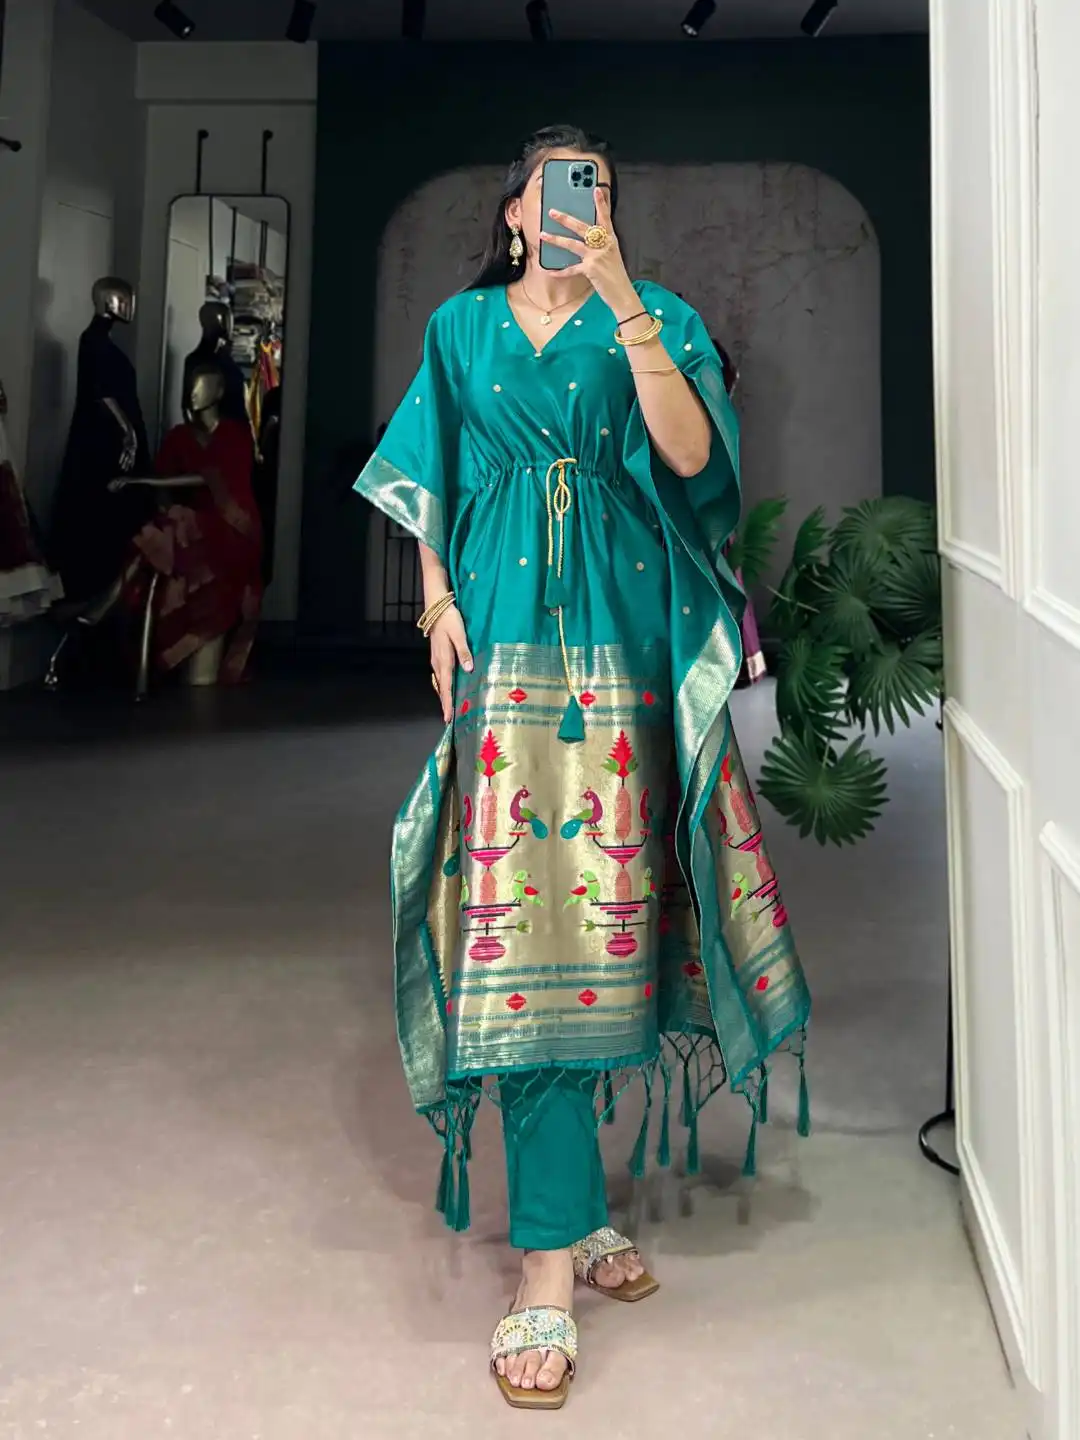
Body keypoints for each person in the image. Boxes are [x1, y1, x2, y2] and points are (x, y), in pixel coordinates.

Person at [354, 125, 811, 1410]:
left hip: (624, 638)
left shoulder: (649, 312)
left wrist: (625, 302)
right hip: (502, 643)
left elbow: (691, 461)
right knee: (517, 923)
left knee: (613, 912)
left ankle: (574, 1202)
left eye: (599, 189)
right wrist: (434, 605)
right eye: (559, 187)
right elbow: (432, 474)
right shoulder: (460, 328)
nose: (578, 203)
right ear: (514, 212)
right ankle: (547, 1261)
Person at [108, 361, 262, 684]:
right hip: (194, 526)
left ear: (219, 391)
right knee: (168, 530)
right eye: (190, 385)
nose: (193, 392)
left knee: (183, 533)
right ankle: (121, 611)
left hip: (232, 526)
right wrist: (163, 500)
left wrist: (144, 482)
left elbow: (215, 479)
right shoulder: (178, 437)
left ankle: (108, 601)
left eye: (201, 384)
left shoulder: (235, 435)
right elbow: (166, 480)